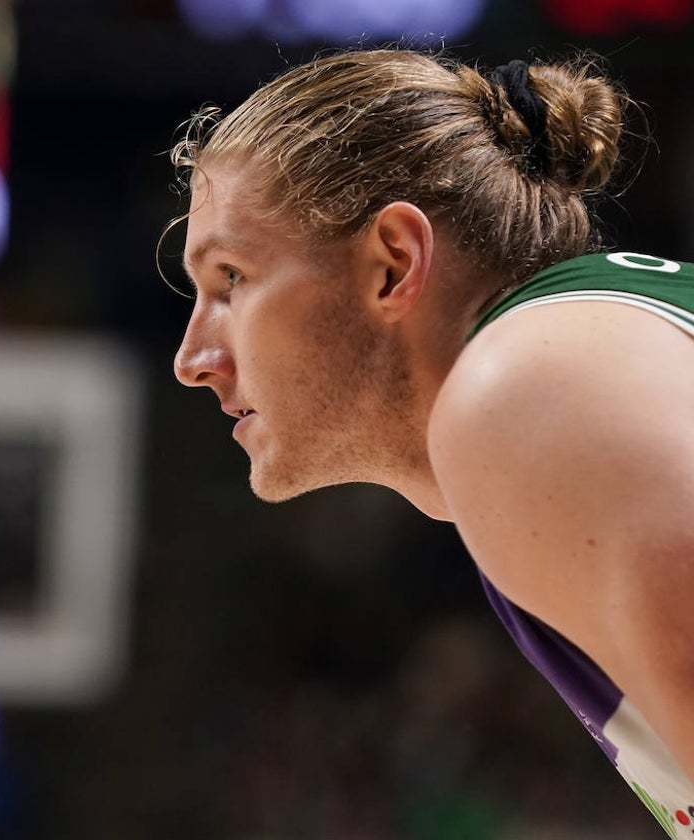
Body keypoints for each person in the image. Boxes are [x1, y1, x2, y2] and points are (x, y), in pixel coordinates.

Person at [167, 48, 694, 834]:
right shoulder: (579, 357)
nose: (191, 362)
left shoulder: (523, 388)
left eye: (231, 280)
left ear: (394, 264)